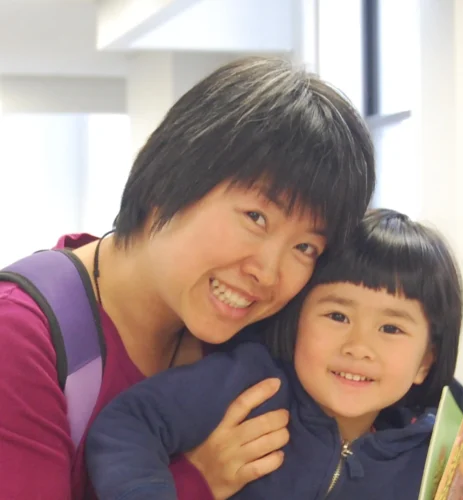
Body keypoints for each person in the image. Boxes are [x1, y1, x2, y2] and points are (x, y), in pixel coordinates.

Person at [0, 56, 375, 500]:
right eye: (256, 217)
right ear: (169, 179)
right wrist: (198, 483)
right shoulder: (20, 337)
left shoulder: (258, 340)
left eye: (306, 247)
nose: (269, 272)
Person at [87, 208, 463, 500]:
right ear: (297, 317)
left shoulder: (441, 454)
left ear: (426, 360)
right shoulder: (249, 383)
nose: (358, 346)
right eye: (337, 315)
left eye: (391, 328)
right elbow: (128, 424)